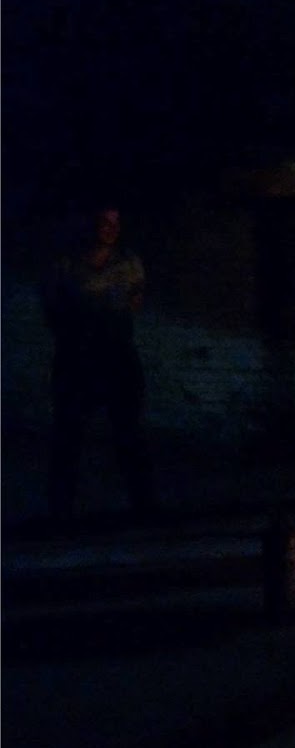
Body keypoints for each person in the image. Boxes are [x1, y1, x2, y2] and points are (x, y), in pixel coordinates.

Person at [41, 205, 157, 526]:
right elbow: (52, 310)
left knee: (129, 431)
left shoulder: (128, 263)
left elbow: (135, 301)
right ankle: (61, 511)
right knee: (69, 433)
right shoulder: (66, 265)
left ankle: (143, 506)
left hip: (117, 356)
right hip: (77, 358)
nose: (110, 229)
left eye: (114, 223)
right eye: (104, 223)